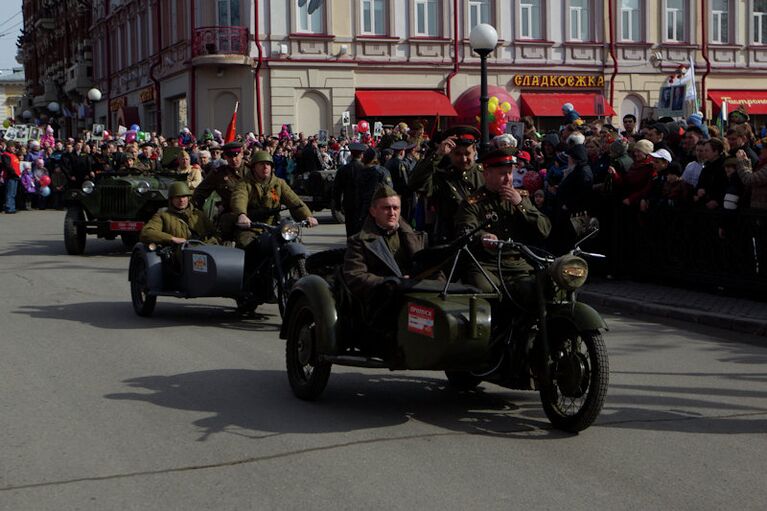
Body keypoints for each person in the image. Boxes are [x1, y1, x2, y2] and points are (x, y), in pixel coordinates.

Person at [343, 184, 441, 344]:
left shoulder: (412, 236)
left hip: (417, 294)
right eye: (386, 208)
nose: (392, 213)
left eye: (396, 208)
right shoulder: (358, 242)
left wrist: (437, 285)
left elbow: (430, 266)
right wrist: (391, 282)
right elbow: (355, 276)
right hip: (381, 305)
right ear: (373, 211)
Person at [454, 147, 551, 294]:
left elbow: (545, 229)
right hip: (486, 264)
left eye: (510, 173)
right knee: (486, 290)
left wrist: (520, 204)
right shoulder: (473, 203)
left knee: (540, 288)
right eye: (502, 174)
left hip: (517, 263)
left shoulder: (520, 198)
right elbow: (465, 231)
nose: (508, 179)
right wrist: (483, 236)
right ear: (487, 174)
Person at [409, 126, 484, 244]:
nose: (463, 159)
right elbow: (415, 183)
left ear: (475, 150)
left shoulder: (485, 175)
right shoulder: (442, 178)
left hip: (482, 241)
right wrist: (438, 154)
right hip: (451, 241)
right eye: (458, 154)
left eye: (467, 153)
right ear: (450, 154)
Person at [231, 150, 318, 249]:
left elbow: (294, 201)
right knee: (246, 244)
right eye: (261, 164)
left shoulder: (279, 183)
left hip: (275, 226)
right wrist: (241, 214)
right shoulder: (244, 183)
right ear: (254, 167)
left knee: (292, 243)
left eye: (268, 164)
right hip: (251, 226)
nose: (265, 167)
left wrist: (308, 216)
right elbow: (239, 198)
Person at [192, 141, 250, 239]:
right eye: (229, 156)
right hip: (230, 215)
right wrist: (196, 212)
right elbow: (200, 193)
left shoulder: (252, 170)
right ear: (225, 157)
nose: (233, 159)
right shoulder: (218, 174)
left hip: (254, 212)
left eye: (236, 155)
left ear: (242, 154)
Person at [352, 147, 393, 235]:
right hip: (380, 210)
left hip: (363, 210)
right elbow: (390, 191)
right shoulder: (382, 171)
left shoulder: (360, 172)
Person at [333, 142, 366, 237]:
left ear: (351, 154)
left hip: (349, 204)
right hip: (363, 205)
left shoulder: (343, 170)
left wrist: (338, 206)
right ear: (362, 154)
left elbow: (337, 190)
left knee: (351, 231)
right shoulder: (366, 169)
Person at [1, 142, 21, 214]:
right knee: (10, 193)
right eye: (12, 147)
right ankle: (9, 208)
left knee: (13, 193)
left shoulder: (13, 155)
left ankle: (12, 207)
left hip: (15, 177)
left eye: (14, 147)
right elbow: (7, 166)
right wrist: (14, 173)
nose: (14, 148)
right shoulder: (5, 155)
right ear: (8, 147)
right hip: (10, 176)